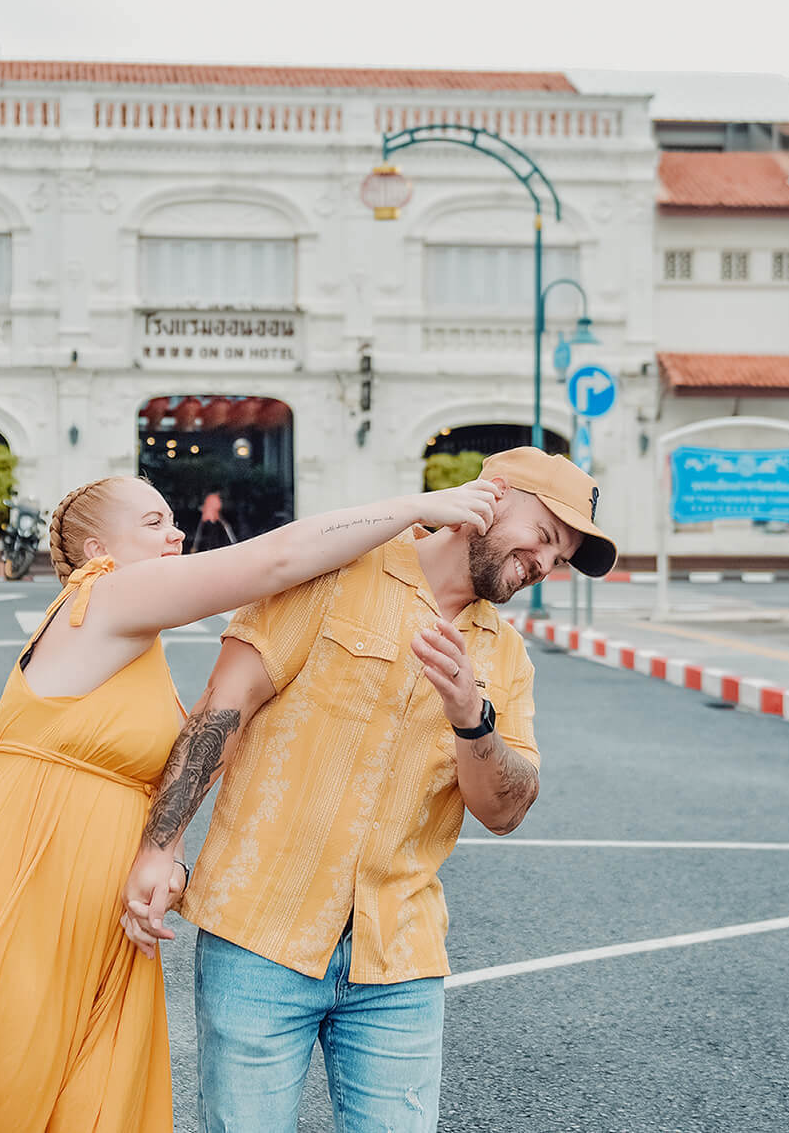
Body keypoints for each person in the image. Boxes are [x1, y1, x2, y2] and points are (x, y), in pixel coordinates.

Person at [0, 473, 505, 1132]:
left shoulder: (133, 642)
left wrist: (163, 851)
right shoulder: (106, 594)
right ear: (96, 550)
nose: (174, 533)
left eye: (171, 519)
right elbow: (274, 560)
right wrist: (411, 508)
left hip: (100, 920)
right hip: (21, 892)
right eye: (150, 523)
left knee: (89, 1113)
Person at [121, 448, 617, 1133]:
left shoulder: (503, 656)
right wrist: (160, 846)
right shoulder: (341, 572)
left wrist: (473, 719)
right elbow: (223, 709)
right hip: (260, 934)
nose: (543, 565)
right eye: (544, 538)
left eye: (558, 560)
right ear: (493, 496)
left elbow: (506, 808)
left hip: (399, 960)